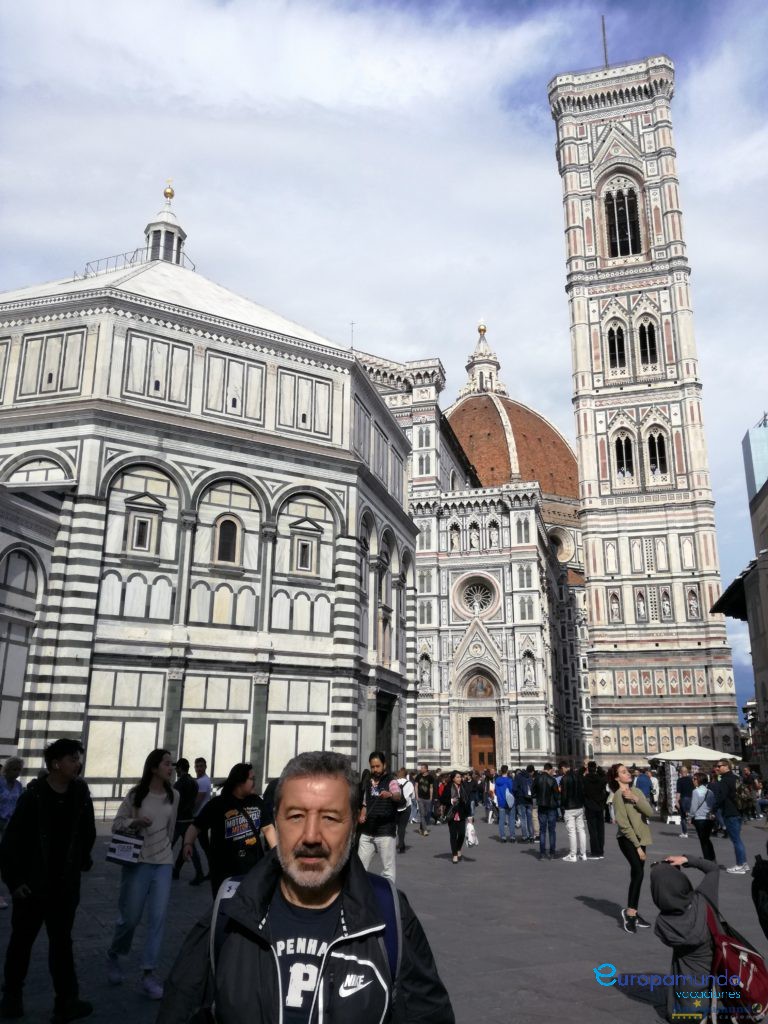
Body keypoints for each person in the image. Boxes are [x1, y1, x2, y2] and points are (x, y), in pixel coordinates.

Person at [159, 750, 455, 1024]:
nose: (311, 836)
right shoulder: (228, 913)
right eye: (296, 816)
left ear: (354, 827)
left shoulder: (389, 916)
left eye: (330, 818)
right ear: (275, 822)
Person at [0, 739, 95, 1023]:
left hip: (64, 887)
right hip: (32, 887)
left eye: (78, 758)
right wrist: (16, 882)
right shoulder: (34, 796)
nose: (78, 763)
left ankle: (66, 1002)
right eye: (72, 758)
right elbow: (10, 843)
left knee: (62, 945)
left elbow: (88, 831)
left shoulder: (80, 794)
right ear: (56, 764)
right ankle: (11, 1000)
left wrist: (81, 860)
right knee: (20, 944)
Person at [106, 748, 179, 999]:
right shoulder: (136, 795)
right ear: (154, 768)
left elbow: (171, 831)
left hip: (163, 863)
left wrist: (167, 851)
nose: (171, 768)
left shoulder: (174, 795)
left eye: (172, 764)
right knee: (130, 918)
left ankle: (149, 974)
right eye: (168, 764)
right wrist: (134, 823)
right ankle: (114, 954)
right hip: (138, 862)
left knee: (158, 919)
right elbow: (117, 823)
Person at [182, 762, 275, 899]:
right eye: (251, 779)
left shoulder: (256, 802)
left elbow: (267, 828)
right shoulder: (218, 804)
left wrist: (275, 852)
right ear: (239, 781)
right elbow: (196, 826)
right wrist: (187, 844)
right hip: (224, 872)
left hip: (253, 869)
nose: (255, 782)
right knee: (225, 910)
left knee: (250, 909)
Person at [651, 855, 719, 1022]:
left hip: (685, 990)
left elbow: (669, 894)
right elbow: (713, 868)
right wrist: (686, 859)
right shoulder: (703, 900)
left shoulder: (662, 923)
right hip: (714, 967)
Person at [608, 763, 654, 933]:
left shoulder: (637, 792)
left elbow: (650, 812)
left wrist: (636, 799)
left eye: (627, 771)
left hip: (641, 838)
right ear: (616, 777)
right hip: (628, 840)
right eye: (623, 772)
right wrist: (638, 848)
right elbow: (624, 824)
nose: (628, 774)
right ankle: (630, 914)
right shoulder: (618, 796)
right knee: (639, 872)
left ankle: (632, 910)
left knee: (637, 875)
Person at [358, 752, 403, 881]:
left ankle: (389, 895)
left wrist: (389, 795)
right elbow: (365, 803)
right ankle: (360, 896)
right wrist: (362, 815)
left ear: (384, 765)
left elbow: (397, 795)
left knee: (388, 870)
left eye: (378, 766)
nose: (375, 769)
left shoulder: (391, 781)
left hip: (385, 831)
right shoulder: (368, 782)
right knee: (360, 867)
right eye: (373, 767)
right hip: (368, 831)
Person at [171, 758, 205, 885]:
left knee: (168, 845)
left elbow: (174, 803)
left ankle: (161, 870)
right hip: (189, 819)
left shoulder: (179, 784)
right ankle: (197, 872)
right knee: (190, 847)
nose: (176, 771)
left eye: (177, 768)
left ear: (180, 768)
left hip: (179, 820)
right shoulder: (194, 783)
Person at [713, 758, 749, 874]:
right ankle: (744, 863)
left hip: (730, 812)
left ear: (726, 766)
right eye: (716, 766)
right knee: (738, 839)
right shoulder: (736, 778)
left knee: (736, 840)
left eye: (719, 766)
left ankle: (740, 865)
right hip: (739, 811)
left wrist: (713, 809)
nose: (717, 768)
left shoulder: (725, 780)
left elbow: (721, 797)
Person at [0, 758, 24, 911]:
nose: (17, 773)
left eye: (19, 770)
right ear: (7, 769)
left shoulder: (19, 786)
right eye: (14, 769)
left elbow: (20, 805)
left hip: (10, 827)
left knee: (7, 859)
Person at [440, 769, 473, 864]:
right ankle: (454, 854)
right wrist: (450, 801)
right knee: (453, 835)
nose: (459, 779)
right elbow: (442, 799)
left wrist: (470, 815)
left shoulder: (463, 786)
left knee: (462, 834)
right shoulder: (448, 787)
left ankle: (458, 848)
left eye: (460, 777)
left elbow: (467, 802)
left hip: (462, 813)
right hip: (452, 814)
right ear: (453, 778)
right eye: (457, 777)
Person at [558, 760, 587, 862]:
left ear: (563, 768)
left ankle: (573, 855)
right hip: (579, 806)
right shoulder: (578, 777)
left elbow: (563, 795)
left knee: (572, 832)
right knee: (581, 830)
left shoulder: (564, 779)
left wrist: (562, 806)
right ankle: (583, 854)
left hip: (569, 807)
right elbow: (583, 791)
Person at [582, 761, 607, 859]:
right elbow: (605, 777)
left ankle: (595, 851)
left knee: (592, 830)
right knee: (600, 829)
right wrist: (600, 770)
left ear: (588, 768)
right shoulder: (600, 779)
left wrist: (584, 769)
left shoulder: (585, 779)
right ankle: (600, 851)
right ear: (595, 768)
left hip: (589, 806)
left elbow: (578, 775)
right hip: (599, 806)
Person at [534, 763, 559, 860]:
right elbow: (556, 794)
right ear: (550, 770)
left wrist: (538, 797)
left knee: (542, 830)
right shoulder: (552, 780)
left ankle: (542, 853)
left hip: (541, 806)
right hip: (551, 807)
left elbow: (533, 791)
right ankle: (552, 853)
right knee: (552, 830)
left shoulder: (537, 779)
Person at [689, 772, 716, 861]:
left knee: (703, 841)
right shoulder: (710, 792)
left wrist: (690, 817)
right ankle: (712, 857)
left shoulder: (696, 791)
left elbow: (694, 807)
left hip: (699, 818)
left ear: (699, 780)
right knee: (707, 839)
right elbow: (713, 805)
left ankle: (707, 859)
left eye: (695, 779)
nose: (693, 780)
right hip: (709, 818)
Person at [494, 766, 515, 843]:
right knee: (511, 819)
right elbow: (512, 790)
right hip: (510, 802)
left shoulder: (497, 780)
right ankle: (512, 836)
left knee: (502, 820)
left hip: (501, 801)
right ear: (507, 771)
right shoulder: (509, 780)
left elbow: (495, 791)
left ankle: (503, 836)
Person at [513, 765, 535, 842]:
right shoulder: (530, 778)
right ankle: (531, 836)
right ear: (531, 771)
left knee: (523, 819)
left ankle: (525, 836)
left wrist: (517, 797)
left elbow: (514, 789)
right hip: (529, 800)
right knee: (530, 818)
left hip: (521, 800)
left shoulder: (518, 777)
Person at [396, 767, 414, 854]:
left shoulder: (394, 782)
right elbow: (413, 797)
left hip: (396, 807)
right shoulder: (409, 784)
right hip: (406, 807)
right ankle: (401, 844)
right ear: (406, 775)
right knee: (402, 827)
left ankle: (400, 843)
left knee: (397, 826)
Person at [675, 766, 694, 838]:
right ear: (687, 772)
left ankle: (685, 832)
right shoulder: (691, 779)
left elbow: (678, 792)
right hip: (691, 798)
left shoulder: (680, 780)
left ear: (680, 772)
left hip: (683, 799)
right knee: (692, 815)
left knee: (682, 816)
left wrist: (676, 801)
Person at [415, 763, 434, 836]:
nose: (421, 769)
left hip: (428, 798)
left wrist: (431, 797)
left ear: (426, 769)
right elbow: (416, 786)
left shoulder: (430, 777)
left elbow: (431, 787)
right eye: (421, 768)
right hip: (420, 798)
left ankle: (420, 827)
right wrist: (416, 796)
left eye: (422, 768)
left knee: (426, 813)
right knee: (422, 814)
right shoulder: (418, 776)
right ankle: (425, 830)